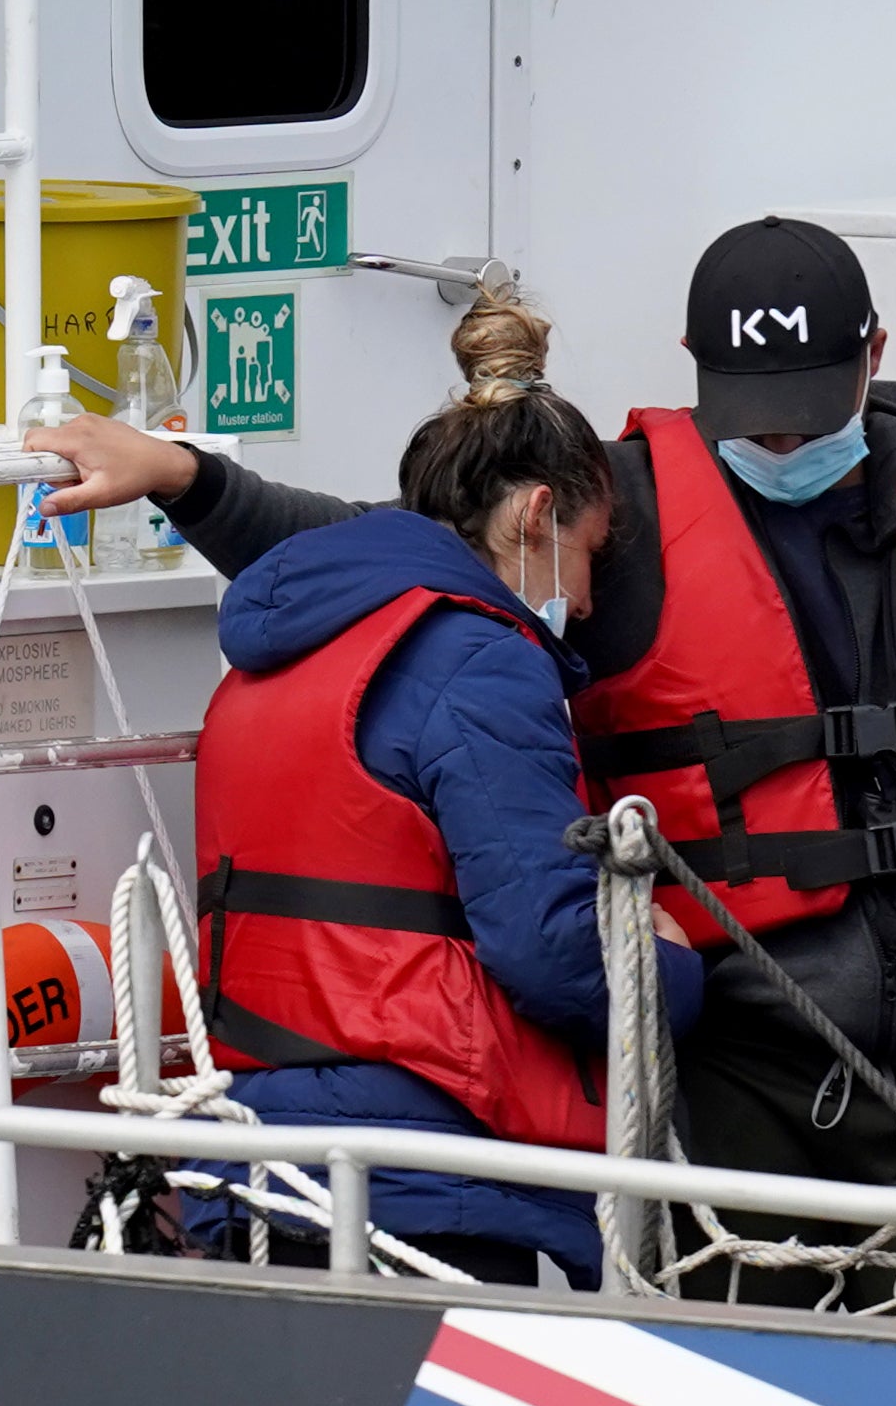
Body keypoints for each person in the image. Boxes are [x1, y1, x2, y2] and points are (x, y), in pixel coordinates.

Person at [35, 219, 896, 1275]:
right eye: (755, 416)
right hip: (738, 1092)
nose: (780, 442)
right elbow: (401, 551)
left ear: (875, 356)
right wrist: (193, 479)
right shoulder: (606, 515)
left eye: (809, 415)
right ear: (693, 369)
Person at [184, 299, 703, 1285]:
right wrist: (675, 968)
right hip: (423, 1180)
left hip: (254, 1168)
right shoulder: (483, 665)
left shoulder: (273, 659)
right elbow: (553, 955)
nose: (587, 601)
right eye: (590, 552)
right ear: (537, 516)